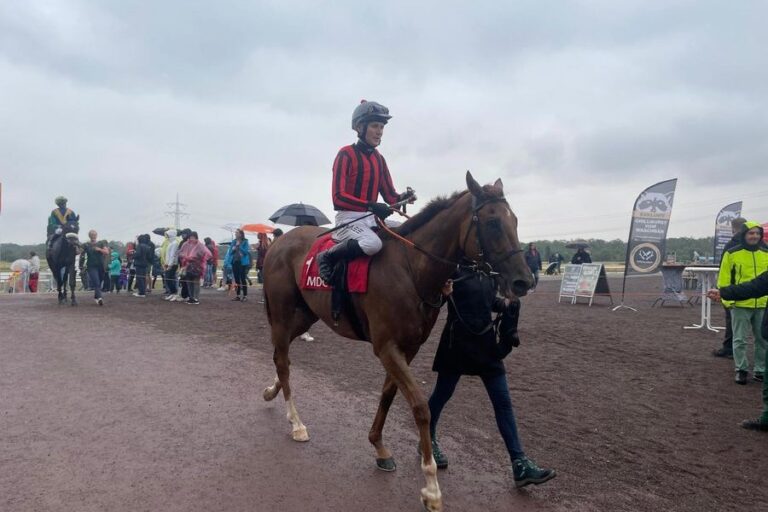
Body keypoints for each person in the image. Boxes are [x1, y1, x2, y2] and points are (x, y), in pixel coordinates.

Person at [426, 265, 556, 487]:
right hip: (456, 343)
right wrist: (443, 293)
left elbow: (487, 302)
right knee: (442, 394)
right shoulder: (454, 269)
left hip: (485, 344)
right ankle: (426, 440)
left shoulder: (488, 272)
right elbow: (433, 304)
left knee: (503, 402)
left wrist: (506, 303)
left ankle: (519, 463)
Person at [317, 100, 415, 284]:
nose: (379, 131)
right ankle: (327, 256)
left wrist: (404, 198)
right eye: (375, 126)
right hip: (348, 219)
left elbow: (390, 196)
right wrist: (370, 205)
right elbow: (338, 198)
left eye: (382, 127)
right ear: (360, 127)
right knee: (373, 244)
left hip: (371, 218)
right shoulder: (345, 154)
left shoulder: (379, 159)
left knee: (408, 231)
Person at [710, 269, 768, 431]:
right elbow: (757, 285)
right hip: (742, 304)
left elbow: (757, 285)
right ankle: (767, 418)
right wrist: (725, 293)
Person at [717, 221, 768, 384]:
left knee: (762, 339)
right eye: (751, 233)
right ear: (744, 234)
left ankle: (760, 370)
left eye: (757, 233)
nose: (754, 236)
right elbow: (724, 278)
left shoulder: (767, 252)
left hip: (762, 303)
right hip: (739, 303)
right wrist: (727, 300)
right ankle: (741, 369)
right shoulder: (732, 253)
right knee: (739, 339)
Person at [713, 217, 748, 359]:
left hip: (733, 290)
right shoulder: (759, 245)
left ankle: (729, 349)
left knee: (731, 319)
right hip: (756, 290)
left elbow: (724, 269)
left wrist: (722, 289)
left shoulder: (731, 245)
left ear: (733, 228)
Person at [178, 231, 211, 305]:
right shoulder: (186, 244)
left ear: (196, 238)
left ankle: (196, 298)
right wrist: (185, 257)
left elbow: (206, 254)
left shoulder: (200, 245)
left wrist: (193, 257)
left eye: (193, 237)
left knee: (196, 282)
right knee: (189, 282)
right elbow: (180, 253)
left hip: (197, 266)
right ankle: (191, 297)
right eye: (190, 237)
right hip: (188, 266)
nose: (191, 239)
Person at [80, 230, 109, 305]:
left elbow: (107, 252)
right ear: (89, 236)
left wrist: (99, 249)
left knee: (99, 282)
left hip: (101, 266)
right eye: (92, 235)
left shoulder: (101, 243)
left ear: (96, 235)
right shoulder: (86, 244)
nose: (93, 236)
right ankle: (99, 298)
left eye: (94, 234)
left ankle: (96, 297)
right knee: (96, 282)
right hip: (91, 266)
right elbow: (78, 252)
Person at [225, 229, 251, 302]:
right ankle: (238, 295)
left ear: (241, 234)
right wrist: (233, 249)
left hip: (243, 263)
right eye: (235, 233)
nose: (235, 234)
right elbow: (230, 252)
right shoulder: (233, 241)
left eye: (237, 233)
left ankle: (245, 296)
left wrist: (239, 246)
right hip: (235, 262)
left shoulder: (245, 241)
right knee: (236, 279)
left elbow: (246, 252)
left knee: (243, 278)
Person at [162, 229, 180, 301]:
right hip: (169, 264)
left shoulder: (175, 243)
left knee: (169, 279)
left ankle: (174, 293)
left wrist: (169, 265)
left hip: (173, 264)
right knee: (168, 279)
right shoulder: (170, 243)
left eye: (168, 235)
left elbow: (172, 255)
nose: (167, 236)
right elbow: (168, 255)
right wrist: (166, 263)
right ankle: (172, 293)